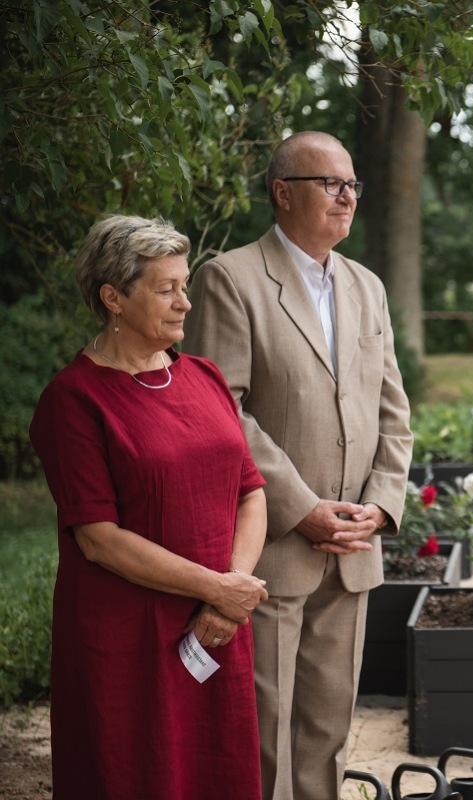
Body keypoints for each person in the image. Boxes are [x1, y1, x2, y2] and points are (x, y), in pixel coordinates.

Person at [183, 131, 413, 800]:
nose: (347, 197)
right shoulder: (230, 278)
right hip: (273, 548)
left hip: (354, 548)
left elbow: (393, 408)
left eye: (352, 185)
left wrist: (382, 504)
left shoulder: (367, 286)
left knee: (328, 731)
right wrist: (302, 508)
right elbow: (220, 410)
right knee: (265, 733)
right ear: (283, 194)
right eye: (330, 184)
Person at [29, 215, 270, 799]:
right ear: (113, 297)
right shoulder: (74, 400)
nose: (185, 303)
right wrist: (219, 589)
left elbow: (251, 491)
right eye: (166, 289)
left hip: (214, 628)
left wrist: (230, 593)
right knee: (136, 775)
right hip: (127, 638)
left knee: (218, 771)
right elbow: (98, 538)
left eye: (184, 286)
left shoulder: (205, 377)